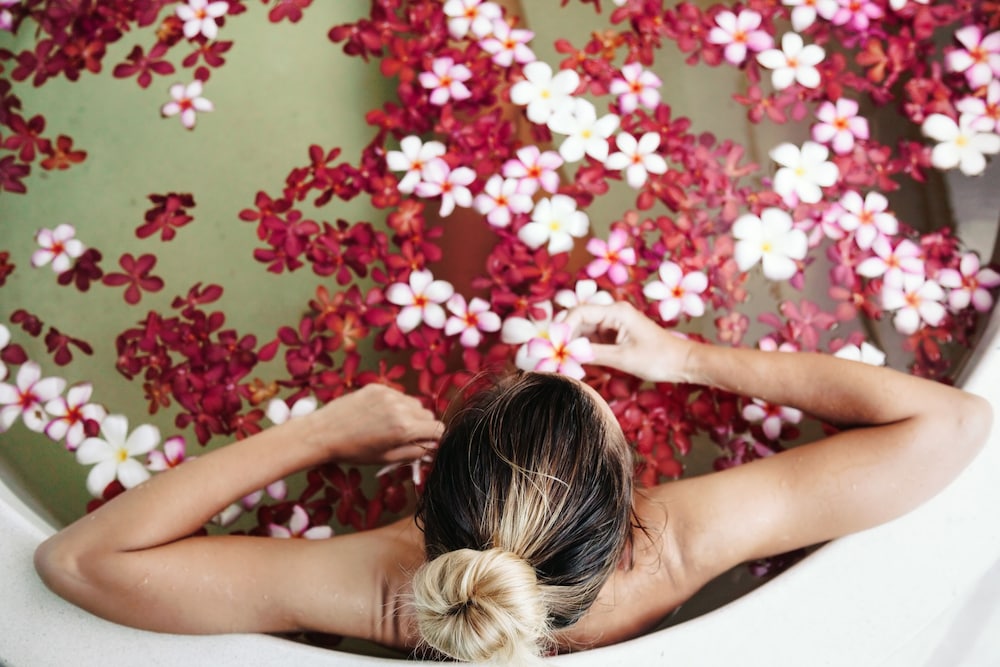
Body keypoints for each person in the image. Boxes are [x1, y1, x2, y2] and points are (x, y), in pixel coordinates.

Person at [34, 302, 991, 663]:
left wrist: (319, 432)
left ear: (424, 500)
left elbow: (79, 561)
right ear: (626, 512)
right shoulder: (672, 550)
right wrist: (688, 357)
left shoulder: (375, 585)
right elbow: (953, 422)